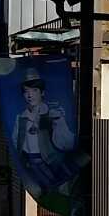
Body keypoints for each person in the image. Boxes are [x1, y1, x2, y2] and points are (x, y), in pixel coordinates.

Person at [12, 68, 77, 201]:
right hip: (30, 166)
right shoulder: (21, 117)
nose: (30, 95)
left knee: (61, 194)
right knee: (44, 196)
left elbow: (66, 143)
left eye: (34, 90)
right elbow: (15, 141)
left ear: (42, 92)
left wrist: (58, 121)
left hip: (51, 163)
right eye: (26, 91)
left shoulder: (52, 113)